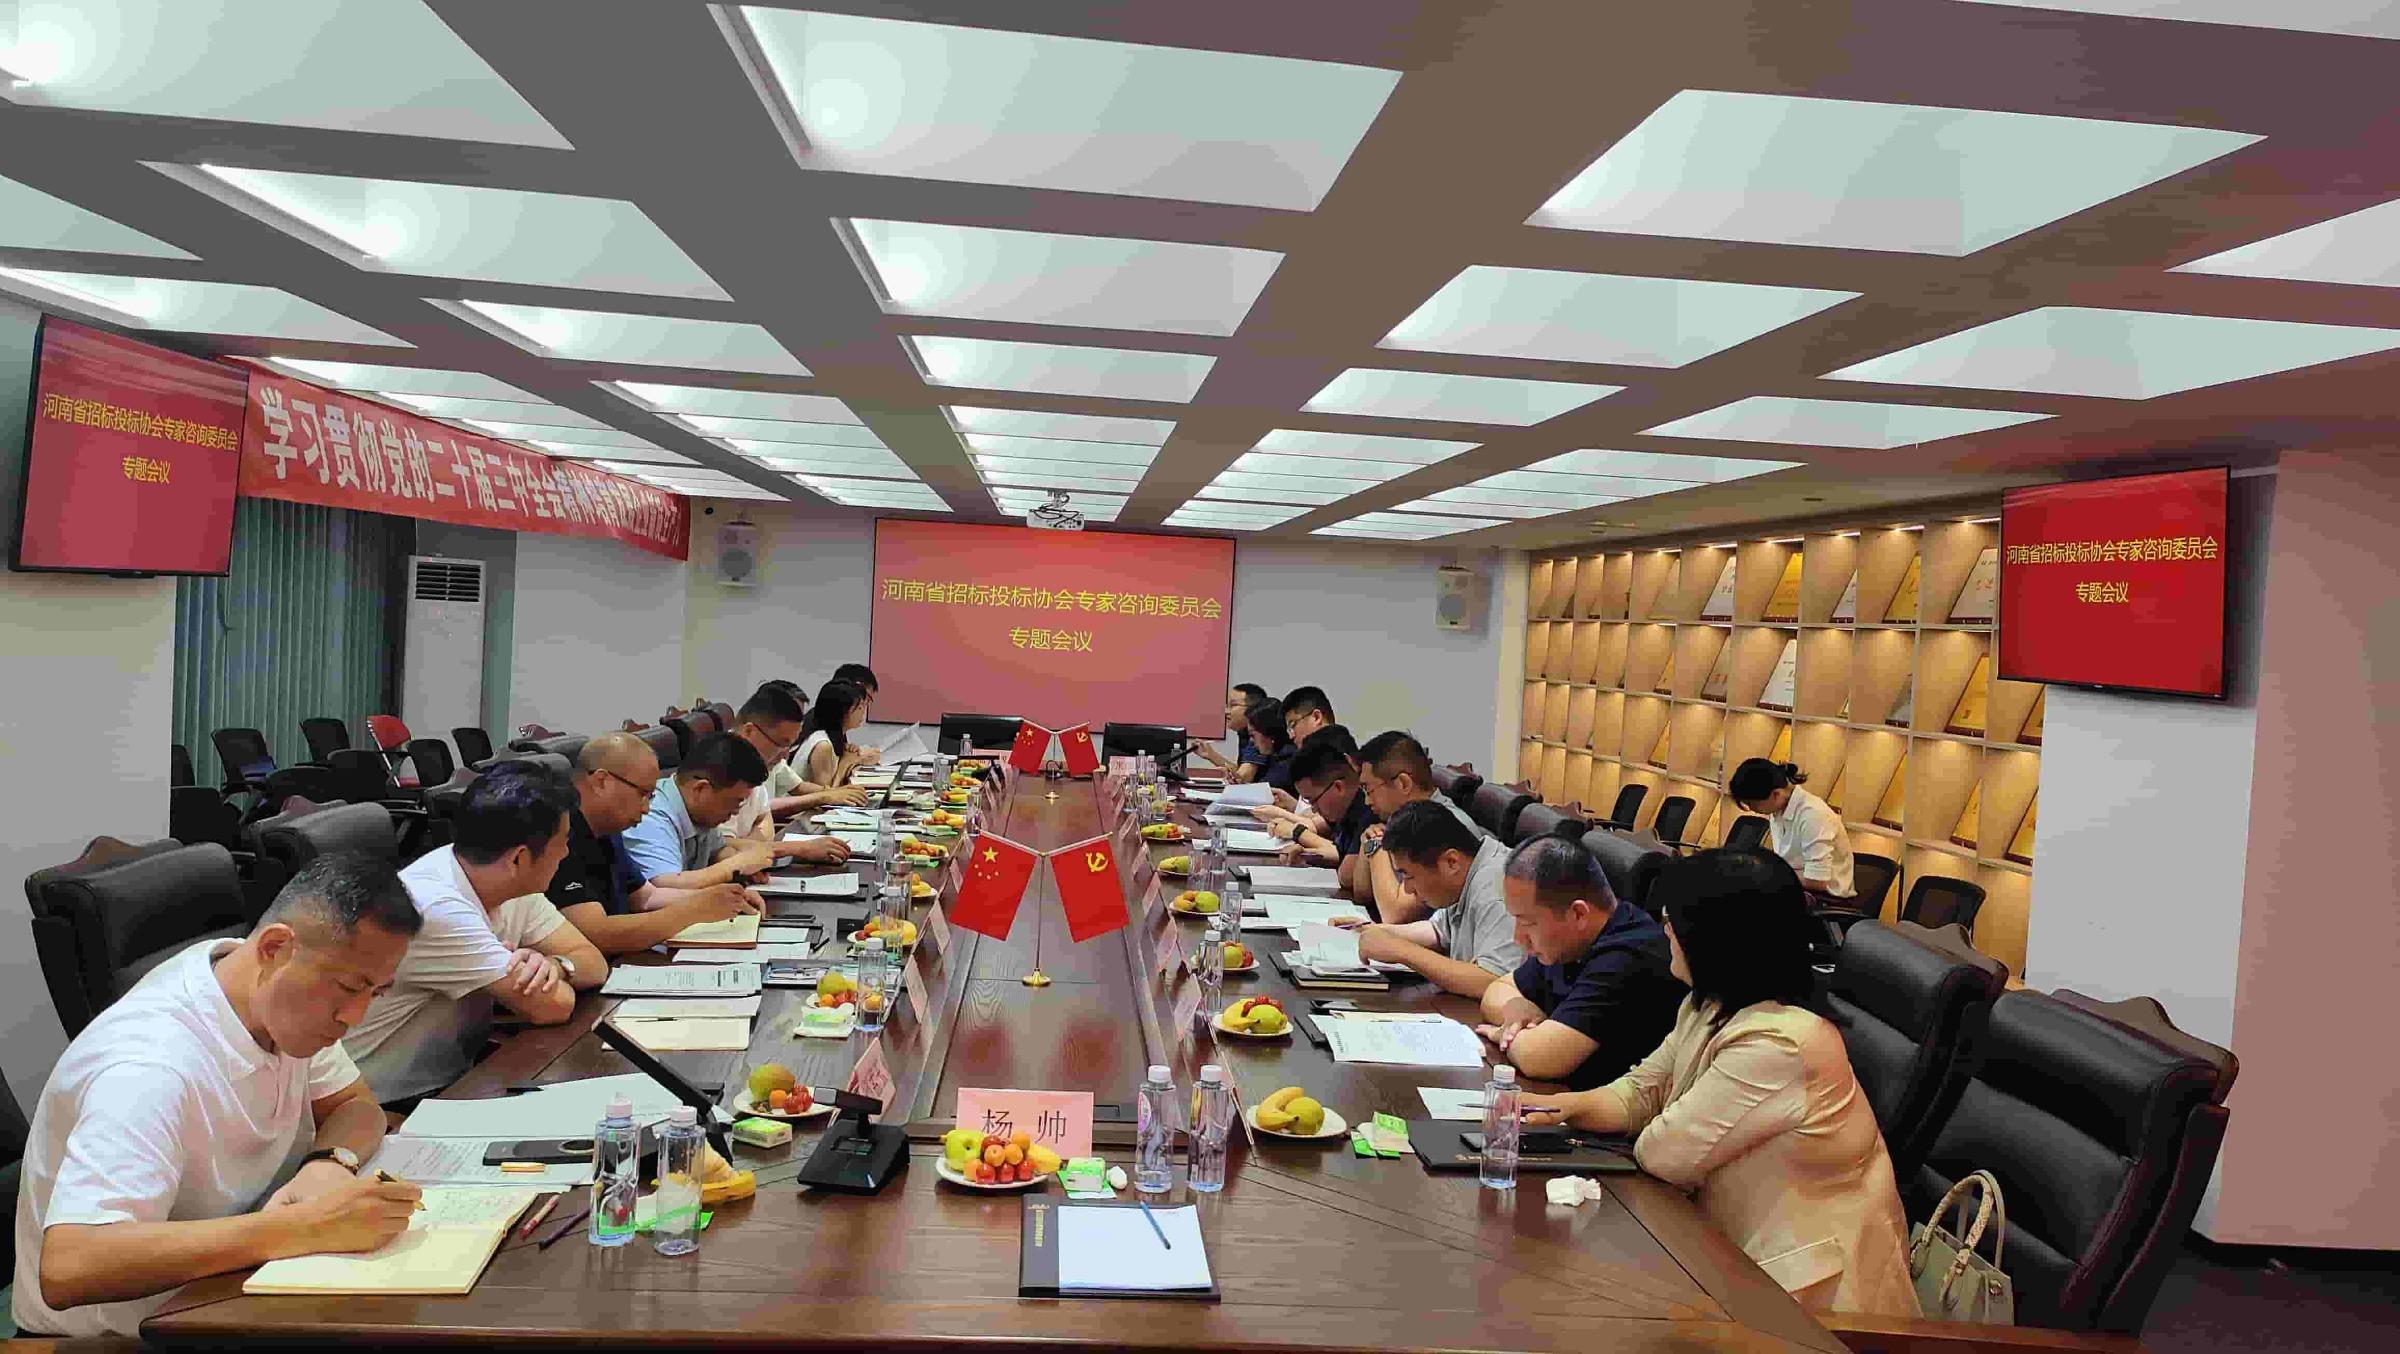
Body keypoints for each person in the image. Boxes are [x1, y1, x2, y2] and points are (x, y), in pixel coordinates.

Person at [13, 856, 427, 1337]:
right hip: (115, 1336)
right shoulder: (147, 1067)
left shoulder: (258, 985)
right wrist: (306, 1227)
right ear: (274, 948)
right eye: (351, 988)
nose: (355, 1016)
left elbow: (355, 1106)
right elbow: (71, 1265)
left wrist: (329, 1164)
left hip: (231, 1287)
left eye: (376, 993)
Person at [1524, 851, 1920, 1318]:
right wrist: (1567, 1107)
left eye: (1673, 919)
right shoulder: (1708, 1004)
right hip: (1728, 1259)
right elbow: (1643, 1089)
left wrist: (1638, 1114)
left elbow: (1664, 1153)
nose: (1664, 929)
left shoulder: (1781, 1043)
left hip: (1814, 1305)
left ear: (1716, 936)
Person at [345, 763, 608, 1103]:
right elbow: (552, 1007)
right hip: (388, 1101)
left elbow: (594, 963)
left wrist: (555, 966)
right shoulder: (436, 906)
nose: (567, 853)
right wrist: (544, 979)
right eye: (563, 842)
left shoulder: (511, 884)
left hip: (460, 1075)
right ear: (519, 858)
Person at [1476, 836, 1683, 1089]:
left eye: (1527, 923)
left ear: (1578, 914)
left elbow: (1539, 1058)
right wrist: (1515, 1007)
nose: (1518, 938)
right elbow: (1497, 990)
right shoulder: (1570, 940)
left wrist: (1504, 1033)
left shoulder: (1629, 956)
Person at [545, 732, 766, 957]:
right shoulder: (560, 834)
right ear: (602, 781)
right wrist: (693, 910)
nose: (646, 809)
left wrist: (722, 898)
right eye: (643, 794)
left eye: (650, 797)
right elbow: (596, 934)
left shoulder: (607, 829)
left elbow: (646, 897)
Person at [1349, 800, 1523, 998]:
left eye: (1409, 876)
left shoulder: (1498, 888)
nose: (1407, 888)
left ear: (1451, 862)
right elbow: (1438, 931)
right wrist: (1375, 931)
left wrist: (1402, 951)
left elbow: (1494, 982)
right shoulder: (1467, 870)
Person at [1355, 730, 1484, 925]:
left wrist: (1376, 847)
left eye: (1369, 789)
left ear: (1403, 783)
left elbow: (1395, 914)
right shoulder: (1402, 818)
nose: (1366, 801)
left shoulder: (1441, 824)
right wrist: (1372, 843)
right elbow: (1361, 891)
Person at [619, 732, 776, 891]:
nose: (735, 812)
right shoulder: (651, 815)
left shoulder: (700, 813)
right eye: (734, 802)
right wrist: (735, 865)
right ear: (701, 789)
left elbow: (719, 850)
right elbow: (665, 886)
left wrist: (743, 868)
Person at [724, 684, 853, 866]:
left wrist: (752, 848)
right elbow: (719, 848)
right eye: (780, 743)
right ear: (749, 731)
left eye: (789, 746)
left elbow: (765, 820)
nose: (785, 755)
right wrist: (794, 848)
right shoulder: (721, 767)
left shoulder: (754, 766)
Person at [1727, 758, 1855, 905]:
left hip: (1825, 899)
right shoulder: (1777, 809)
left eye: (1752, 804)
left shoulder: (1813, 815)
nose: (1752, 809)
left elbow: (1817, 881)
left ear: (1776, 794)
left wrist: (1770, 872)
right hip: (1795, 887)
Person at [756, 679, 869, 817]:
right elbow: (763, 808)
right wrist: (826, 794)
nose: (785, 753)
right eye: (859, 708)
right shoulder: (822, 744)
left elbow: (799, 786)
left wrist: (838, 792)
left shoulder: (776, 756)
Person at [1257, 737, 1367, 875]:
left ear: (1338, 787)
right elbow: (1340, 855)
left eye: (1313, 800)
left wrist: (1298, 833)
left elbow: (1347, 875)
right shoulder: (1346, 810)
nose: (1313, 808)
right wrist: (1308, 856)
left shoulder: (1368, 811)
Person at [794, 678, 876, 789]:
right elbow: (826, 795)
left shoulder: (834, 737)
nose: (863, 712)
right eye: (859, 708)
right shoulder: (823, 746)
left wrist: (851, 759)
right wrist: (845, 763)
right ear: (841, 712)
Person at [1189, 683, 1269, 780]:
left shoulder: (1260, 734)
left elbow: (1244, 778)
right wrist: (1211, 755)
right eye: (1227, 706)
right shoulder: (1243, 733)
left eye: (1233, 705)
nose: (1226, 711)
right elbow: (1240, 772)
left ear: (1253, 709)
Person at [1245, 696, 1298, 795]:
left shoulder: (1288, 760)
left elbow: (1259, 793)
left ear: (1268, 732)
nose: (1251, 741)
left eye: (1252, 735)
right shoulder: (1274, 755)